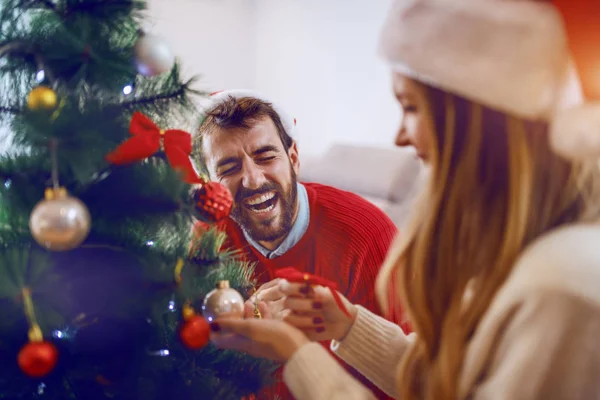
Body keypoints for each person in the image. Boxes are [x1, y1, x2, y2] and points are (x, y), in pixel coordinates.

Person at [208, 0, 600, 399]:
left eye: (411, 106)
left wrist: (297, 357)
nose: (399, 137)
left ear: (474, 120)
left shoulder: (559, 292)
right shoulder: (514, 253)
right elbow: (455, 382)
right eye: (228, 167)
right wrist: (348, 324)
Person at [192, 89, 410, 399]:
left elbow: (408, 381)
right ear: (209, 184)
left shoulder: (368, 235)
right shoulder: (208, 238)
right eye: (228, 168)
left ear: (294, 159)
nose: (253, 180)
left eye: (266, 156)